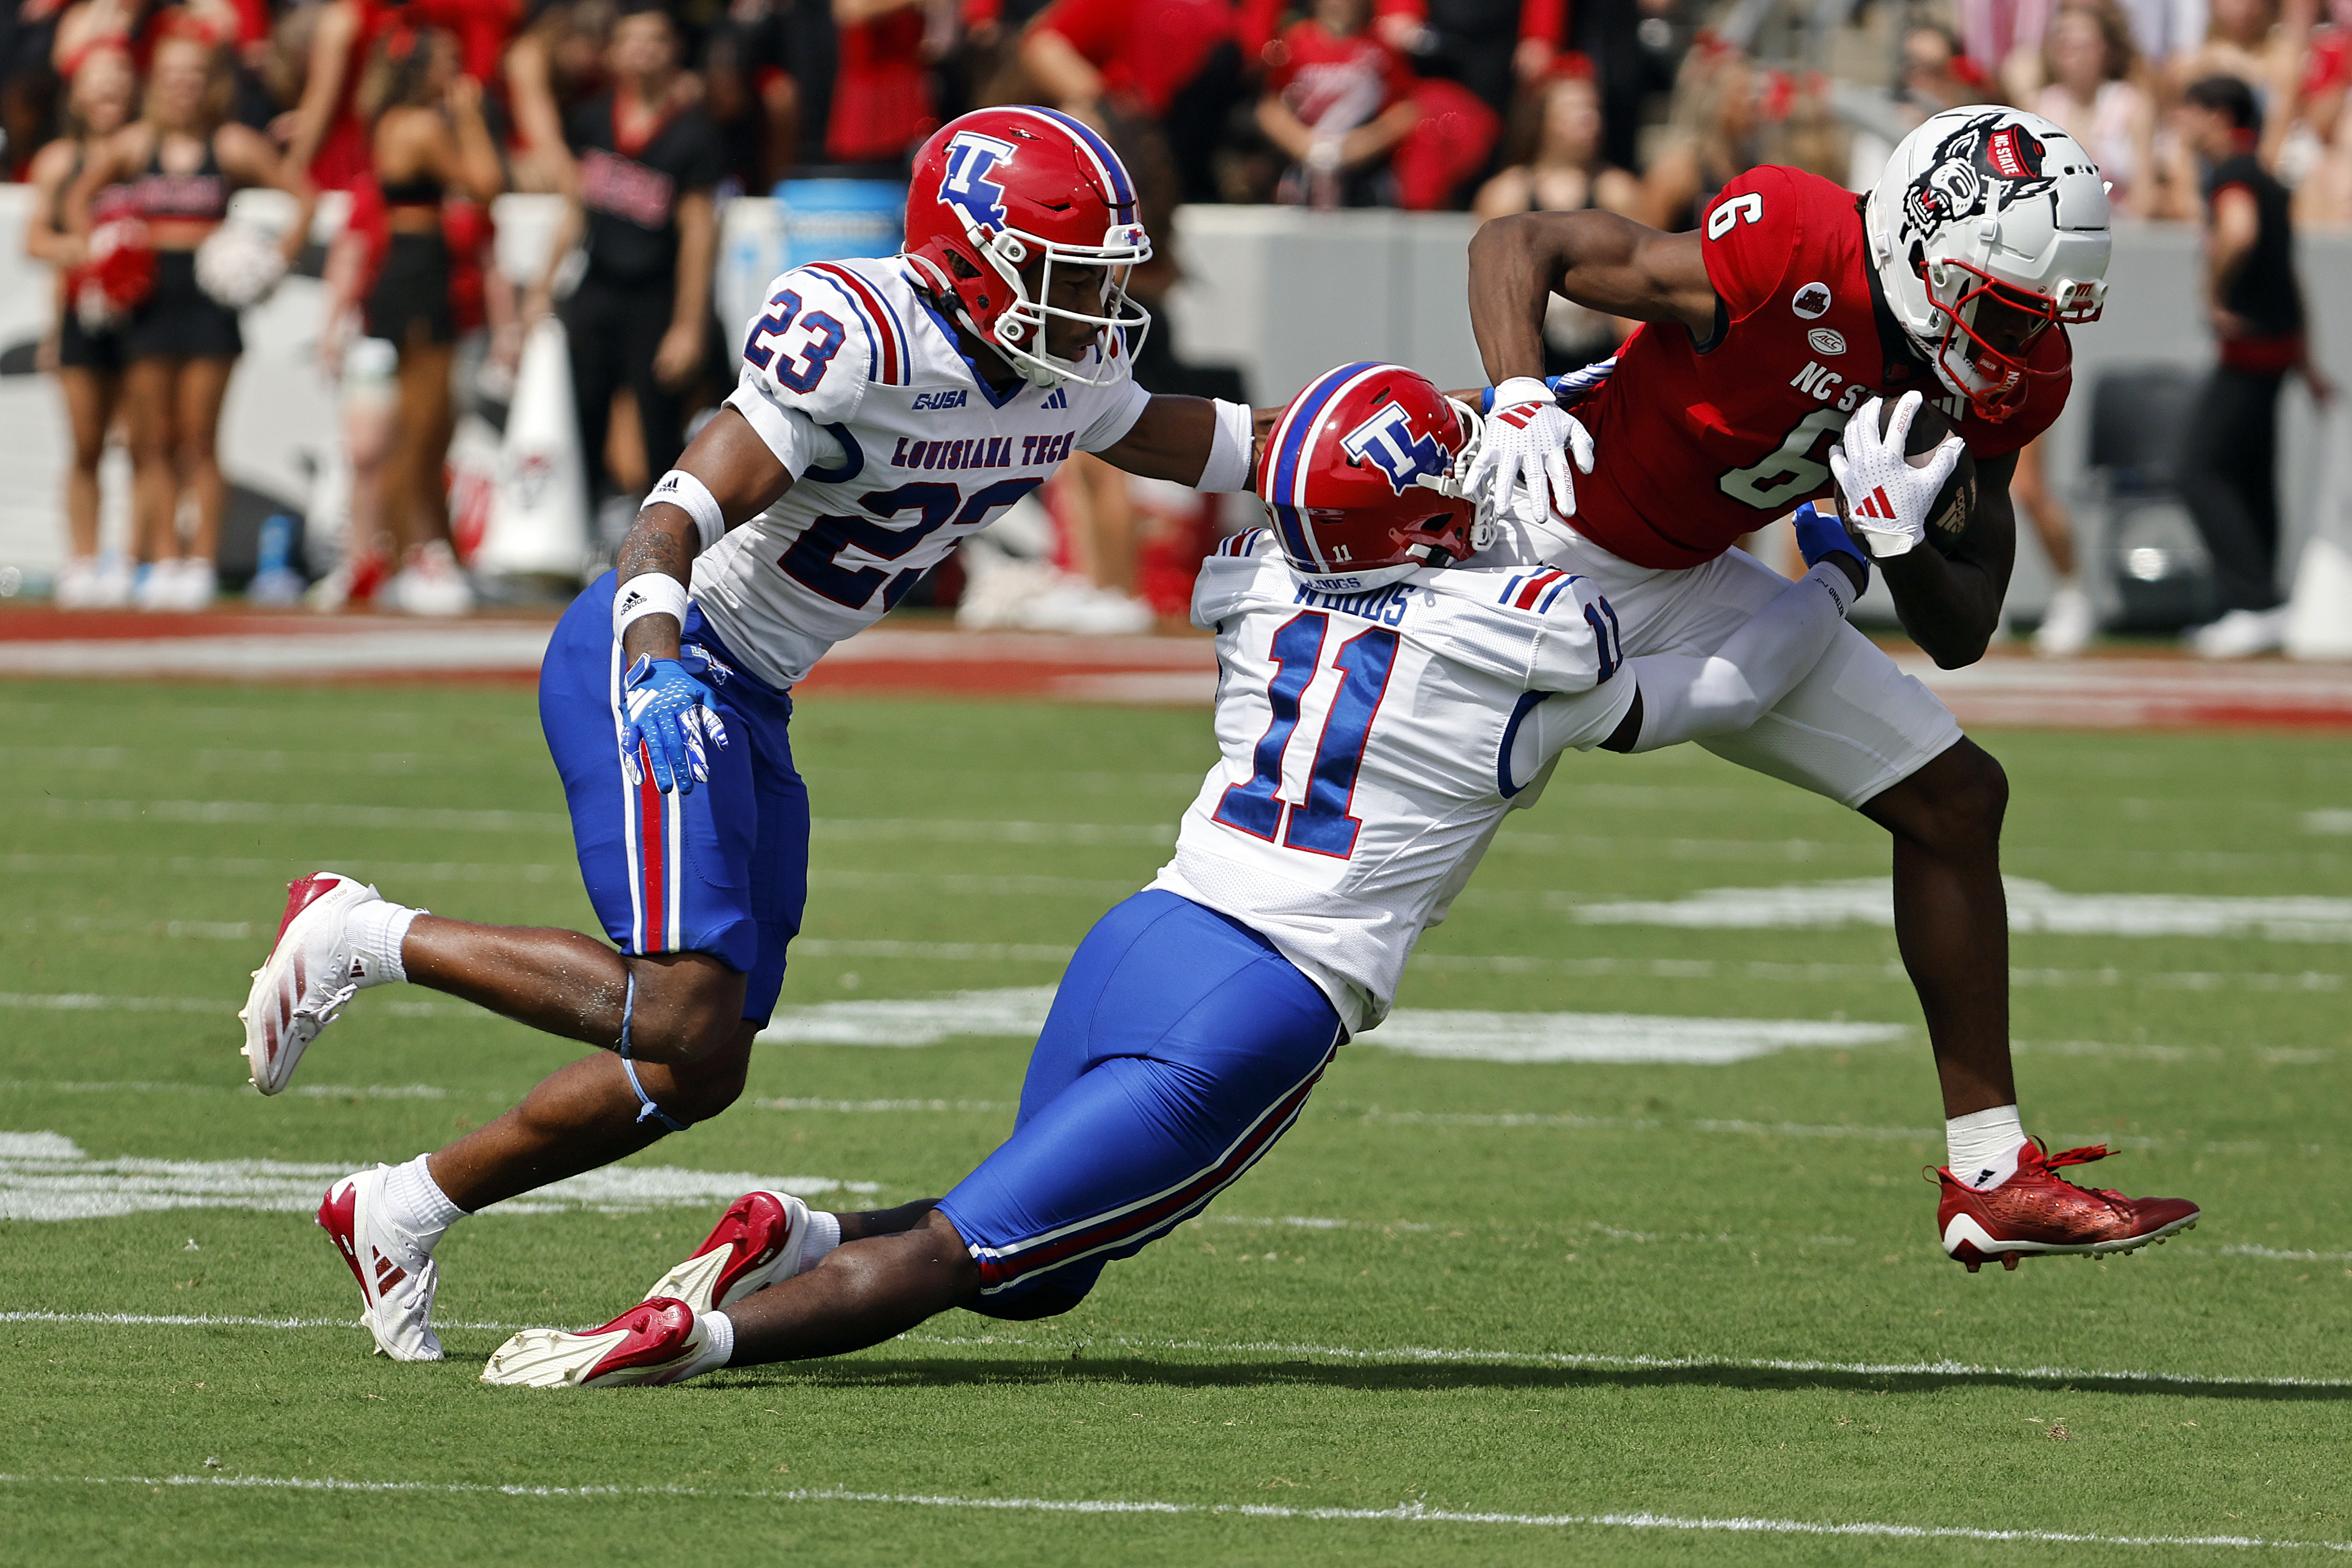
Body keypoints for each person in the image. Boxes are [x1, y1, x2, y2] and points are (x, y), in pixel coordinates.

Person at [468, 362, 1892, 1387]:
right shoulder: (1531, 634)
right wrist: (1830, 575)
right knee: (971, 1257)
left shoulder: (1258, 581)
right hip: (1263, 1000)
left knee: (1047, 1274)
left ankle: (794, 1232)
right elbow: (1714, 685)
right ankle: (679, 1343)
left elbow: (1350, 518)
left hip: (1147, 935)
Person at [236, 106, 1272, 1363]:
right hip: (664, 654)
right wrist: (658, 660)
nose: (1095, 306)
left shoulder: (1063, 367)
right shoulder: (865, 332)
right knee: (679, 1012)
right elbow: (675, 507)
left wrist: (1415, 446)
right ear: (965, 255)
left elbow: (1225, 442)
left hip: (759, 688)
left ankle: (400, 1206)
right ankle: (358, 930)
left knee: (699, 1065)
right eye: (1066, 275)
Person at [1462, 106, 2201, 1268]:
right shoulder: (1790, 247)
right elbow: (1518, 246)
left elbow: (1964, 628)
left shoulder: (2003, 377)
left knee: (1956, 798)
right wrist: (1515, 393)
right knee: (1372, 908)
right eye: (2007, 306)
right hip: (1535, 541)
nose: (2023, 341)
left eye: (2044, 311)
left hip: (1691, 574)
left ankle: (1994, 1169)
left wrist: (1901, 543)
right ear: (1918, 248)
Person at [69, 27, 313, 612]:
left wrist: (270, 264)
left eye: (195, 76)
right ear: (157, 84)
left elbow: (302, 196)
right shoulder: (133, 144)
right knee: (152, 440)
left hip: (208, 306)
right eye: (173, 76)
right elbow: (79, 199)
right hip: (150, 302)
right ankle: (160, 558)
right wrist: (102, 249)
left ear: (211, 85)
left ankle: (199, 560)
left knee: (201, 440)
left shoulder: (230, 145)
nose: (183, 87)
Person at [523, 1, 722, 529]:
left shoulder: (693, 132)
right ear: (611, 52)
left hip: (654, 295)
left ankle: (663, 545)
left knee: (659, 429)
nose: (643, 52)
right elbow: (575, 210)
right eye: (631, 40)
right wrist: (543, 285)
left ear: (673, 50)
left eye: (655, 41)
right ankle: (579, 534)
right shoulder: (593, 117)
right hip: (597, 287)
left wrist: (688, 324)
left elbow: (700, 234)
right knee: (581, 416)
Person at [2174, 74, 2333, 658]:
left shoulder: (2235, 174)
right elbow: (2291, 273)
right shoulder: (2266, 176)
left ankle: (2254, 602)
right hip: (2279, 351)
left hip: (2249, 351)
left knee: (2198, 469)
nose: (2181, 125)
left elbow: (2239, 234)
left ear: (2217, 115)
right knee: (2251, 476)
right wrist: (2308, 361)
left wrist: (2211, 291)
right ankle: (2265, 602)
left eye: (2188, 111)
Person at [2020, 0, 2160, 654]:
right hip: (2034, 300)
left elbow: (2154, 198)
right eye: (2065, 42)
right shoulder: (2037, 101)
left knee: (2027, 481)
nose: (2074, 54)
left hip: (2069, 305)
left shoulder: (2131, 103)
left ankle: (2073, 591)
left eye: (2086, 42)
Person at [350, 25, 504, 616]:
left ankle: (437, 554)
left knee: (433, 429)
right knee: (420, 428)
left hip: (412, 277)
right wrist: (469, 117)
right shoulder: (422, 125)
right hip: (418, 282)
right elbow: (487, 185)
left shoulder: (392, 122)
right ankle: (406, 556)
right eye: (446, 63)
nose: (458, 73)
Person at [26, 44, 139, 611]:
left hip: (144, 319)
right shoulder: (58, 161)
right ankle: (84, 557)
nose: (108, 92)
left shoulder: (145, 152)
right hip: (81, 314)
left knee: (145, 441)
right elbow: (34, 239)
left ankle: (137, 555)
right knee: (87, 444)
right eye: (97, 82)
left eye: (118, 79)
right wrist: (89, 250)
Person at [1473, 61, 1640, 376]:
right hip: (1534, 350)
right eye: (1575, 110)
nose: (1589, 119)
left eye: (1593, 109)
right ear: (1543, 119)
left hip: (1607, 348)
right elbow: (1493, 294)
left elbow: (1640, 288)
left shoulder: (1618, 190)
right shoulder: (1505, 194)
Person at [1255, 0, 1421, 210]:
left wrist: (1358, 146)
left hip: (1365, 171)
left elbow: (1406, 110)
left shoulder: (1381, 49)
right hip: (1301, 166)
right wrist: (1306, 146)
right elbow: (1270, 107)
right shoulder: (1294, 42)